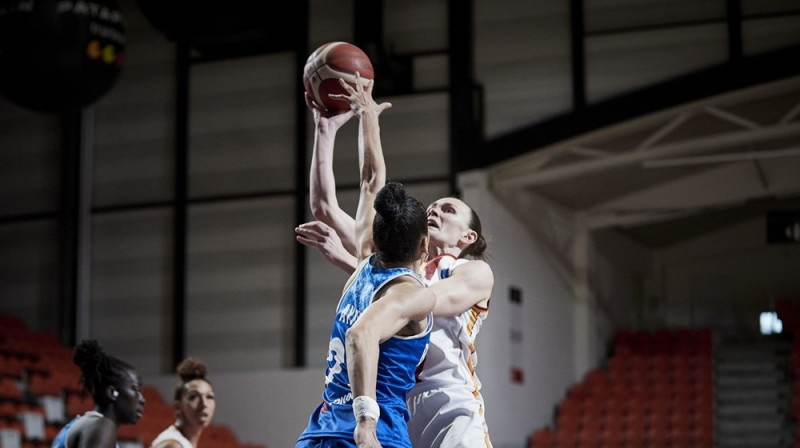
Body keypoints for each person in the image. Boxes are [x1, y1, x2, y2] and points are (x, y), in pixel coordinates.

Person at [296, 79, 494, 448]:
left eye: (448, 210)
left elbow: (424, 300)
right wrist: (325, 129)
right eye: (432, 207)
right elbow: (329, 204)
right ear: (420, 240)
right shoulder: (400, 270)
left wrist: (351, 262)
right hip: (396, 400)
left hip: (447, 400)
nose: (435, 210)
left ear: (468, 238)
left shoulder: (473, 272)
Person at [51, 340, 145, 448]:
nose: (142, 399)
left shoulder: (89, 424)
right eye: (136, 391)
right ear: (112, 393)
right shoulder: (102, 427)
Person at [150, 358, 216, 448]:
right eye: (194, 397)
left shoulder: (184, 442)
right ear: (178, 407)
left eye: (209, 397)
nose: (204, 404)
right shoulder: (173, 445)